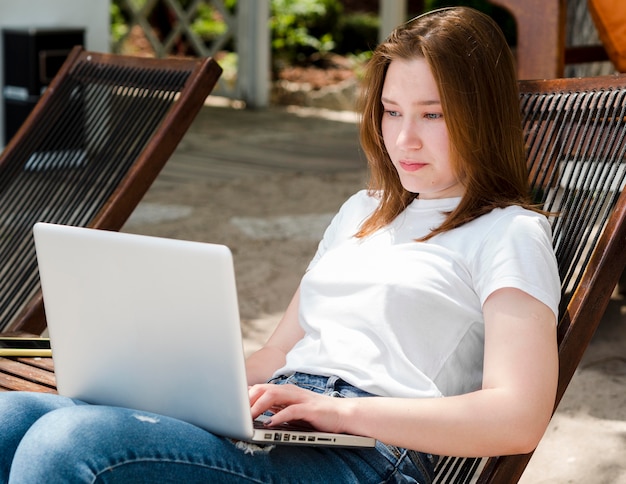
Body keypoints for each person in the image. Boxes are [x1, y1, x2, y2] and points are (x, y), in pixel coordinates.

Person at [0, 7, 560, 483]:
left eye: (432, 115)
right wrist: (174, 387)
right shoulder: (363, 210)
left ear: (480, 117)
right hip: (283, 415)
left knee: (67, 445)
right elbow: (274, 355)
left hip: (366, 455)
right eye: (391, 112)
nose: (403, 139)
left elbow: (516, 416)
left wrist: (338, 412)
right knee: (8, 419)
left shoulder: (509, 233)